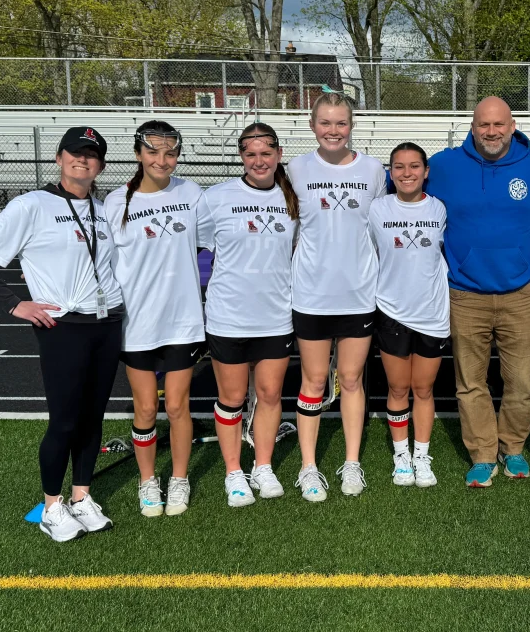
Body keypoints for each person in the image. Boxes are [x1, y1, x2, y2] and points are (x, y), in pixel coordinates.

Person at [0, 127, 122, 541]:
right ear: (59, 157)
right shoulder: (32, 205)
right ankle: (53, 505)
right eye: (74, 153)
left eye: (91, 155)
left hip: (105, 323)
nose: (82, 160)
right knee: (65, 420)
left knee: (92, 416)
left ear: (100, 165)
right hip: (62, 326)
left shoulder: (104, 210)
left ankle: (82, 496)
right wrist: (17, 304)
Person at [426, 96, 530, 488]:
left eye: (499, 124)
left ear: (512, 125)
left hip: (519, 291)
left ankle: (513, 447)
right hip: (465, 293)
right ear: (472, 125)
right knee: (471, 381)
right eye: (484, 124)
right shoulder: (444, 165)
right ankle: (483, 454)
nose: (492, 132)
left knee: (521, 381)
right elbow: (400, 181)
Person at [287, 92, 387, 500]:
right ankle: (309, 467)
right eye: (325, 123)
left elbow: (382, 227)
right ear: (313, 125)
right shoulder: (294, 169)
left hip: (358, 295)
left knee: (350, 379)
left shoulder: (374, 170)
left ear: (352, 126)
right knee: (313, 380)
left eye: (340, 123)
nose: (333, 130)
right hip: (311, 295)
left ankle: (351, 463)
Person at [103, 121, 203, 518]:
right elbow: (100, 261)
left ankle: (179, 478)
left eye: (170, 152)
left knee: (178, 405)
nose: (163, 160)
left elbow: (215, 243)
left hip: (183, 320)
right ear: (138, 153)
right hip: (137, 323)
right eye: (153, 152)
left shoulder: (192, 193)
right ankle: (148, 481)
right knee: (145, 408)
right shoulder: (115, 202)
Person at [197, 123, 299, 507]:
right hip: (228, 316)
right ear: (241, 156)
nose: (259, 160)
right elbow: (184, 246)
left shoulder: (292, 198)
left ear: (278, 153)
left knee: (271, 394)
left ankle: (264, 465)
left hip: (275, 315)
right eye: (250, 154)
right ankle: (234, 473)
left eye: (266, 152)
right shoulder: (217, 197)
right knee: (233, 397)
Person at [368, 142, 448, 488]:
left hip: (432, 313)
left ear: (426, 171)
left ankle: (421, 455)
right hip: (392, 311)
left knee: (424, 388)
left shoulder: (440, 209)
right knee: (398, 388)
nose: (407, 173)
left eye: (414, 166)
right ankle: (402, 457)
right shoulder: (377, 209)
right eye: (398, 167)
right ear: (390, 172)